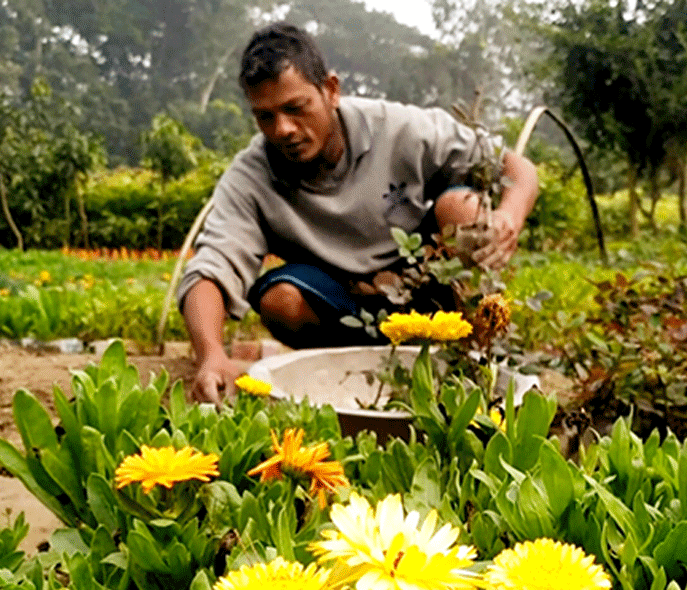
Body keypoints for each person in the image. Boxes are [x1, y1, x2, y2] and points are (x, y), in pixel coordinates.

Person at [178, 22, 538, 404]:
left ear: (331, 90)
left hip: (427, 296)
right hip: (341, 308)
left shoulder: (401, 129)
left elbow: (515, 168)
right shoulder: (252, 175)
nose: (283, 129)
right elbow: (211, 266)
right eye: (265, 117)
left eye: (295, 109)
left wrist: (508, 217)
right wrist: (211, 355)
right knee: (280, 299)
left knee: (463, 208)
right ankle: (337, 379)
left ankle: (472, 359)